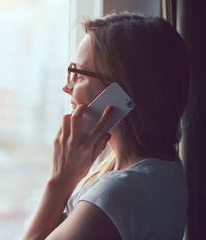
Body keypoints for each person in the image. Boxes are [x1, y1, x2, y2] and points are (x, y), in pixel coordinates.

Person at [23, 12, 191, 240]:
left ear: (119, 91)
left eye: (78, 74)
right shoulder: (164, 167)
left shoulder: (116, 196)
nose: (67, 87)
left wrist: (60, 181)